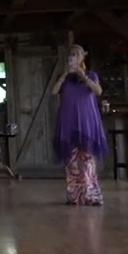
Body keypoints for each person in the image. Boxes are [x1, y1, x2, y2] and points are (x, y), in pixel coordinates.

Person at [51, 44, 107, 206]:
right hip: (68, 121)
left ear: (83, 57)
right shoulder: (65, 78)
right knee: (71, 160)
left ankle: (91, 195)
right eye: (71, 55)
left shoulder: (91, 75)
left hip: (86, 121)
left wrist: (84, 77)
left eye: (77, 55)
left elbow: (98, 91)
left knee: (87, 159)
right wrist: (64, 75)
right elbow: (54, 91)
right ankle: (74, 195)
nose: (73, 57)